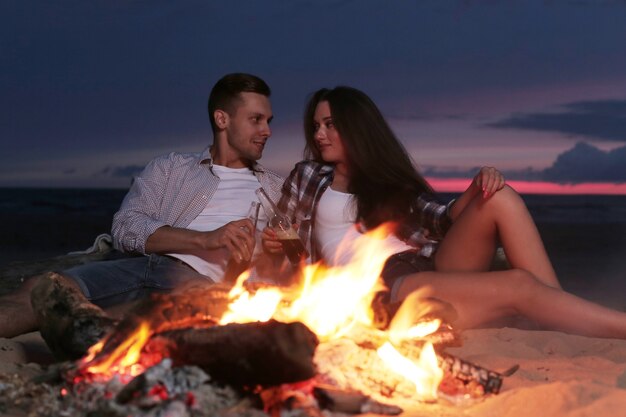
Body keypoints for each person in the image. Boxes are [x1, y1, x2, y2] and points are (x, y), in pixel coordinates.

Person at [263, 86, 626, 339]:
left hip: (423, 266)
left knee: (499, 196)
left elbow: (443, 217)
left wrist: (479, 182)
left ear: (355, 128)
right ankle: (588, 319)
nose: (320, 134)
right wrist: (275, 246)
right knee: (518, 285)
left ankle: (557, 309)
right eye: (316, 126)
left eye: (330, 124)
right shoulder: (307, 176)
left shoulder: (388, 180)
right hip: (379, 287)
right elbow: (281, 234)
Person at [0, 73, 284, 338]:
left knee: (155, 311)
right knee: (42, 291)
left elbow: (301, 260)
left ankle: (95, 336)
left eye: (268, 120)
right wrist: (207, 239)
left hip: (202, 288)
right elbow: (126, 226)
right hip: (138, 266)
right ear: (222, 119)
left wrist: (278, 251)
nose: (267, 131)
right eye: (256, 119)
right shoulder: (171, 168)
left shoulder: (277, 189)